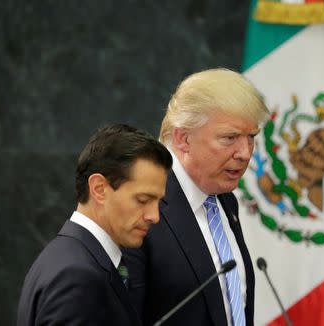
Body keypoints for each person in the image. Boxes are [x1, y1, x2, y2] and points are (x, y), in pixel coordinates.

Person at [123, 68, 269, 326]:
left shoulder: (225, 200)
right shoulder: (140, 209)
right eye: (230, 138)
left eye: (251, 138)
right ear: (184, 139)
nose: (246, 153)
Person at [17, 124, 172, 326]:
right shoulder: (77, 276)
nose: (154, 216)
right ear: (99, 189)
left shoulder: (68, 257)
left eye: (158, 202)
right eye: (143, 200)